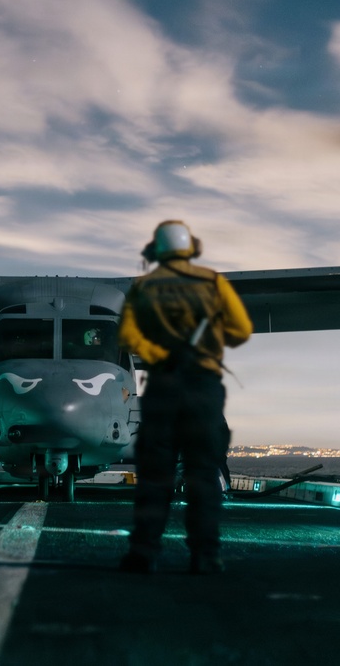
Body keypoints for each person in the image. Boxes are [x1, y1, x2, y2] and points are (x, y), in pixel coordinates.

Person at [118, 220, 252, 574]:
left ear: (157, 250)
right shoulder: (212, 283)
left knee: (155, 475)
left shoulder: (145, 286)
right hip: (203, 389)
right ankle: (205, 555)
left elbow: (129, 336)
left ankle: (143, 553)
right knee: (204, 474)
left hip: (164, 388)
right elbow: (241, 329)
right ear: (191, 246)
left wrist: (158, 352)